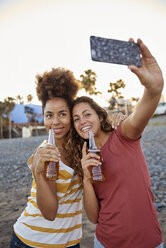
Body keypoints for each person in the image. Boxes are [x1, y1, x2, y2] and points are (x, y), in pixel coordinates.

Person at [10, 67, 124, 248]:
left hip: (70, 242)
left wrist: (115, 119)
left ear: (71, 116)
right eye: (49, 115)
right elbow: (49, 213)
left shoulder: (80, 146)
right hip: (33, 242)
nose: (55, 121)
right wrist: (38, 173)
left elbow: (95, 126)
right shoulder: (44, 154)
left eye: (62, 114)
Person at [72, 38, 164, 248]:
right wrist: (86, 179)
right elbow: (94, 218)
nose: (82, 121)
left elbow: (143, 111)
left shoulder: (124, 135)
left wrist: (154, 87)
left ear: (100, 115)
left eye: (87, 114)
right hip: (106, 242)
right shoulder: (86, 156)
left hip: (149, 242)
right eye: (76, 119)